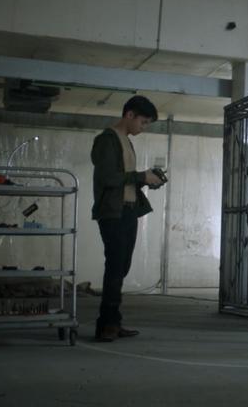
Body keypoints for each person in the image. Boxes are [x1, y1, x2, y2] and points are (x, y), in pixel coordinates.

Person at [90, 95, 166, 342]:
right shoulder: (106, 140)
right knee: (114, 267)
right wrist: (141, 176)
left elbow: (126, 179)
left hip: (128, 211)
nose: (142, 128)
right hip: (113, 212)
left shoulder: (126, 141)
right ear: (129, 115)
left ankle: (112, 320)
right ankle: (107, 325)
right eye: (143, 122)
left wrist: (147, 180)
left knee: (121, 267)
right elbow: (108, 178)